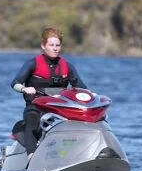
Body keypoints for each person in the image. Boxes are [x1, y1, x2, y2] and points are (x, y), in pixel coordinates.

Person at [10, 27, 88, 160]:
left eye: (57, 45)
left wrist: (89, 97)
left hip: (60, 109)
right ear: (43, 45)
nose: (55, 48)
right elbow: (15, 83)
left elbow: (81, 87)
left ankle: (80, 153)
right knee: (32, 121)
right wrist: (24, 89)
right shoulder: (32, 64)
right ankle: (31, 156)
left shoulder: (67, 66)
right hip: (35, 107)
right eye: (51, 45)